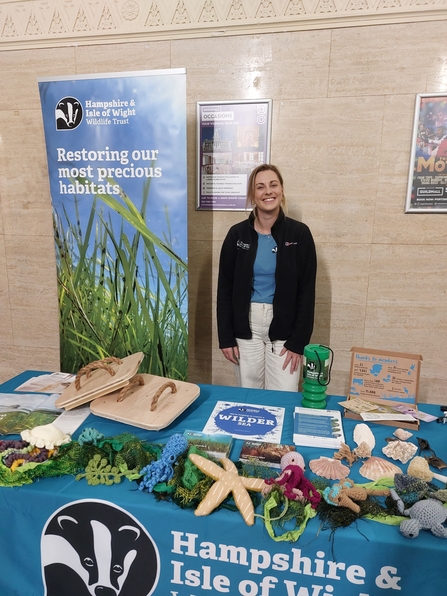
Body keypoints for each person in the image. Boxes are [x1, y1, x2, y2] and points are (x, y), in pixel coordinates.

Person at [217, 164, 317, 391]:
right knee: (249, 394)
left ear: (282, 190)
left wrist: (298, 342)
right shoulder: (237, 235)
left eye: (273, 185)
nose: (268, 191)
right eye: (260, 187)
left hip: (285, 328)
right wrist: (226, 337)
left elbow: (307, 290)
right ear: (252, 195)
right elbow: (225, 288)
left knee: (283, 394)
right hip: (246, 325)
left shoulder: (299, 234)